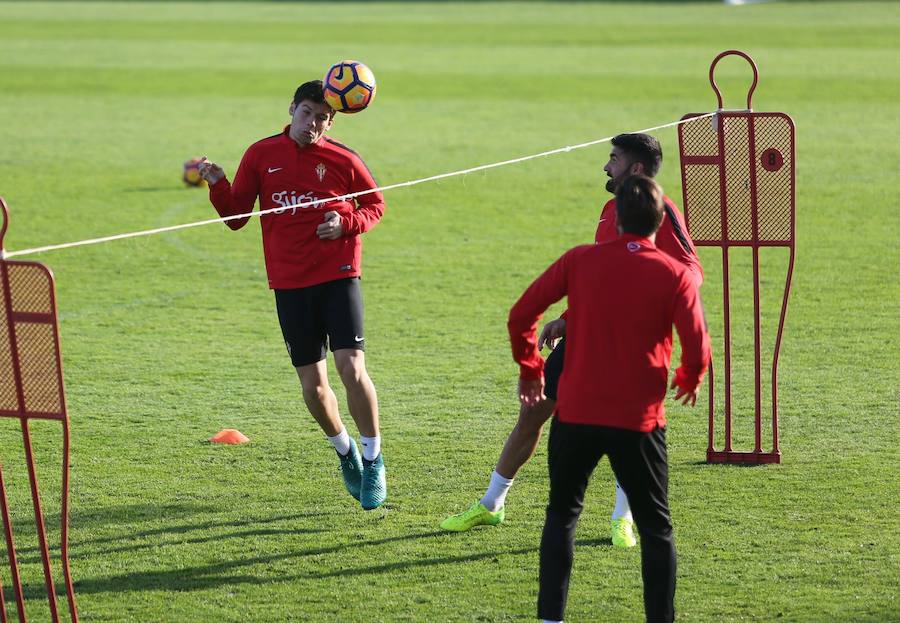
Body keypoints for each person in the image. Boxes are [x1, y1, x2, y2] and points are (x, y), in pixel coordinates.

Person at [441, 134, 703, 548]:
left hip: (629, 347)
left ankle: (623, 519)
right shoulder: (610, 209)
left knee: (626, 428)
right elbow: (602, 277)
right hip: (583, 339)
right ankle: (492, 504)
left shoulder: (662, 211)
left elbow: (691, 270)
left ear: (635, 169)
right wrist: (568, 317)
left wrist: (649, 296)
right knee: (532, 413)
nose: (606, 166)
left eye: (613, 159)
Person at [509, 175, 710, 623]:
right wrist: (689, 376)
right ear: (659, 223)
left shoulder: (579, 261)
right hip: (639, 422)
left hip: (577, 414)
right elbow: (698, 345)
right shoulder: (673, 273)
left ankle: (550, 619)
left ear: (614, 218)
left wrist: (530, 369)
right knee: (656, 529)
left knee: (562, 516)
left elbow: (522, 314)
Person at [197, 80, 387, 510]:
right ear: (292, 109)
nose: (312, 124)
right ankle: (345, 452)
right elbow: (236, 217)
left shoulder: (344, 160)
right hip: (289, 283)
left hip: (339, 274)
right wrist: (217, 183)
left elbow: (375, 205)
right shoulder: (261, 155)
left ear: (331, 121)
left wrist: (346, 225)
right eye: (306, 114)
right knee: (314, 387)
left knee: (351, 367)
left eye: (322, 118)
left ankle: (374, 459)